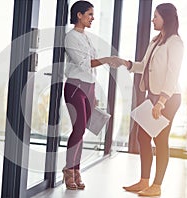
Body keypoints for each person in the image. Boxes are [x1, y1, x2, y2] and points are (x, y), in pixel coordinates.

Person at [114, 3, 183, 196]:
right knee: (142, 137)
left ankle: (157, 185)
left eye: (156, 16)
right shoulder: (155, 41)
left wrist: (161, 102)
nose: (153, 20)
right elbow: (144, 66)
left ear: (166, 19)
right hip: (152, 95)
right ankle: (144, 181)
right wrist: (126, 64)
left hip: (168, 98)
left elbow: (172, 74)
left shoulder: (175, 42)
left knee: (161, 139)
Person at [63, 0, 117, 190]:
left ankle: (76, 170)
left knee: (83, 131)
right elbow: (85, 63)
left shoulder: (86, 37)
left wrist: (93, 93)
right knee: (78, 129)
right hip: (75, 87)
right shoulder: (70, 37)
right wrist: (108, 60)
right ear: (79, 15)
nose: (92, 18)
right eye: (90, 14)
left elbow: (91, 65)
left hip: (89, 87)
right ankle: (68, 171)